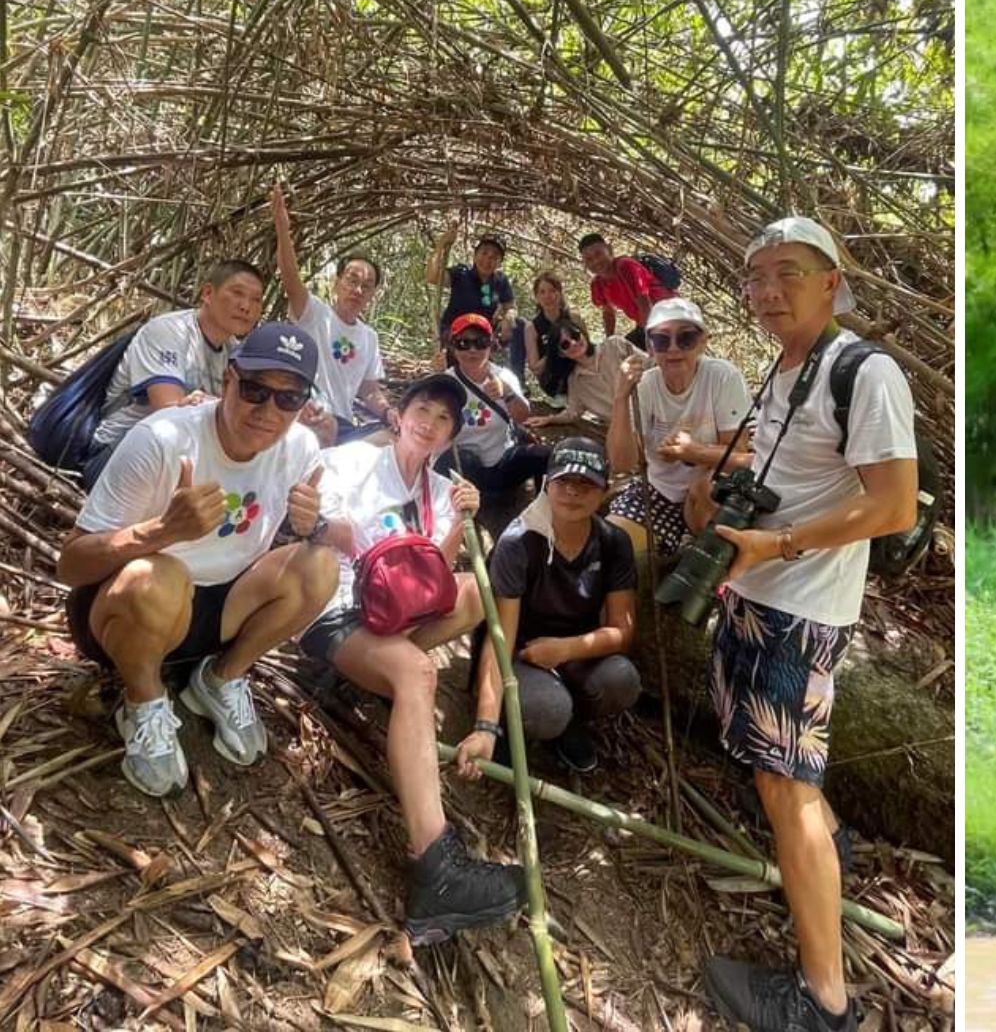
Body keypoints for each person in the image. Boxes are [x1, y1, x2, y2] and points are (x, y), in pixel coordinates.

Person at [689, 217, 918, 1032]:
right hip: (759, 592)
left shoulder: (867, 370)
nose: (766, 290)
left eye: (787, 272)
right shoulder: (787, 368)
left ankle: (823, 1001)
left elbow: (892, 505)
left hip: (801, 610)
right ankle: (822, 845)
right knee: (776, 773)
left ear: (831, 281)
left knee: (789, 786)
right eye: (755, 276)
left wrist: (778, 543)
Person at [56, 323, 340, 798]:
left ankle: (220, 677)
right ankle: (143, 700)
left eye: (288, 399)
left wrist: (313, 527)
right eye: (255, 390)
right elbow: (71, 564)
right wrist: (161, 532)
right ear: (229, 379)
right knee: (160, 575)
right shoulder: (163, 439)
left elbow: (298, 547)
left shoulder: (300, 450)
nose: (268, 410)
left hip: (217, 606)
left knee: (320, 566)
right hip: (127, 610)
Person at [300, 373, 524, 943]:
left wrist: (463, 523)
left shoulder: (441, 487)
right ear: (400, 415)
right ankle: (434, 864)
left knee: (478, 587)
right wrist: (357, 540)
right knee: (417, 671)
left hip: (391, 618)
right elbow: (318, 535)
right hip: (339, 611)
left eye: (444, 419)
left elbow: (434, 582)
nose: (430, 422)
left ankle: (371, 677)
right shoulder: (350, 462)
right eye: (422, 409)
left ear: (451, 437)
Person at [452, 438, 640, 776]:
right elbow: (500, 641)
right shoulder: (519, 543)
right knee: (547, 708)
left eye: (586, 484)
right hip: (521, 656)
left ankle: (569, 721)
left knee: (621, 679)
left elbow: (623, 632)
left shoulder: (613, 542)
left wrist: (565, 649)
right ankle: (513, 725)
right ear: (546, 485)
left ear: (604, 491)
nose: (573, 492)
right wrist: (485, 725)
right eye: (563, 482)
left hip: (573, 653)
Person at [87, 259, 266, 486]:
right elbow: (169, 411)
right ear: (208, 293)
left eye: (256, 300)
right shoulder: (168, 332)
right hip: (118, 449)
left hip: (179, 455)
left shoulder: (234, 354)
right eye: (237, 293)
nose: (246, 306)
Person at [607, 298, 752, 560]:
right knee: (614, 548)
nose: (673, 349)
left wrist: (693, 452)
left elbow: (738, 457)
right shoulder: (645, 387)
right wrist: (620, 398)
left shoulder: (722, 377)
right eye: (662, 340)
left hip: (710, 494)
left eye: (685, 338)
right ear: (650, 347)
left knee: (705, 492)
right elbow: (622, 463)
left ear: (703, 341)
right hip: (658, 491)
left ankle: (697, 552)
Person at [271, 182, 393, 447]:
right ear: (337, 282)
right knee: (322, 431)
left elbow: (369, 390)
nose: (358, 289)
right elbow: (290, 277)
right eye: (352, 279)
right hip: (307, 415)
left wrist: (388, 412)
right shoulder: (315, 313)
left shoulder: (368, 337)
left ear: (373, 294)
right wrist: (282, 229)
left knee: (395, 444)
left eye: (367, 285)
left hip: (343, 424)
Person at [442, 313, 549, 507]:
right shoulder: (444, 383)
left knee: (545, 456)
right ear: (453, 347)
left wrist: (507, 393)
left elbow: (523, 416)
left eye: (480, 342)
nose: (472, 350)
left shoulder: (504, 376)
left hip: (501, 464)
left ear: (491, 346)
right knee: (460, 459)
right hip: (463, 470)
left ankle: (545, 508)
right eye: (463, 343)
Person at [525, 320, 641, 429]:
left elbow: (651, 364)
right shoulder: (576, 382)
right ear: (561, 353)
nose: (574, 343)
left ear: (583, 334)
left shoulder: (615, 345)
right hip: (628, 433)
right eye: (565, 344)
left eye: (575, 335)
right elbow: (572, 413)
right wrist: (550, 419)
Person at [580, 232, 674, 345]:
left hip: (669, 316)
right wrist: (610, 342)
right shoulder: (597, 284)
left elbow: (644, 303)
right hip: (646, 323)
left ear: (609, 250)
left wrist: (650, 340)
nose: (595, 261)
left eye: (598, 254)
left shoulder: (626, 266)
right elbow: (608, 313)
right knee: (618, 354)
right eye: (589, 259)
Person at [428, 227, 516, 347]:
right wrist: (442, 244)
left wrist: (509, 318)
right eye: (484, 253)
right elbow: (433, 277)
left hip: (482, 338)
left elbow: (510, 306)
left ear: (499, 263)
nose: (487, 259)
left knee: (520, 325)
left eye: (494, 256)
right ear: (475, 256)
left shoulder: (500, 281)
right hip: (454, 336)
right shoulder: (461, 274)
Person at [518, 271, 576, 403]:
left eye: (552, 291)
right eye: (542, 292)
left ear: (560, 293)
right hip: (553, 380)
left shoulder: (573, 318)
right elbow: (535, 368)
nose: (547, 296)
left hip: (578, 374)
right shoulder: (532, 328)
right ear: (536, 297)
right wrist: (554, 350)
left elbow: (589, 351)